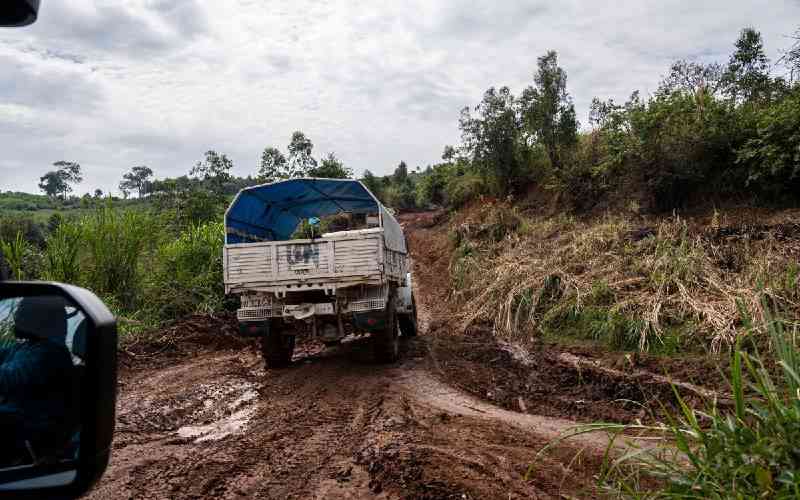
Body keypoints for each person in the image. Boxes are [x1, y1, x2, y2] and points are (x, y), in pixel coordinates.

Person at [0, 296, 79, 467]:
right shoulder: (27, 347)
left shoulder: (50, 353)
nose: (16, 316)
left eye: (22, 312)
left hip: (27, 433)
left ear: (38, 319)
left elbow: (10, 377)